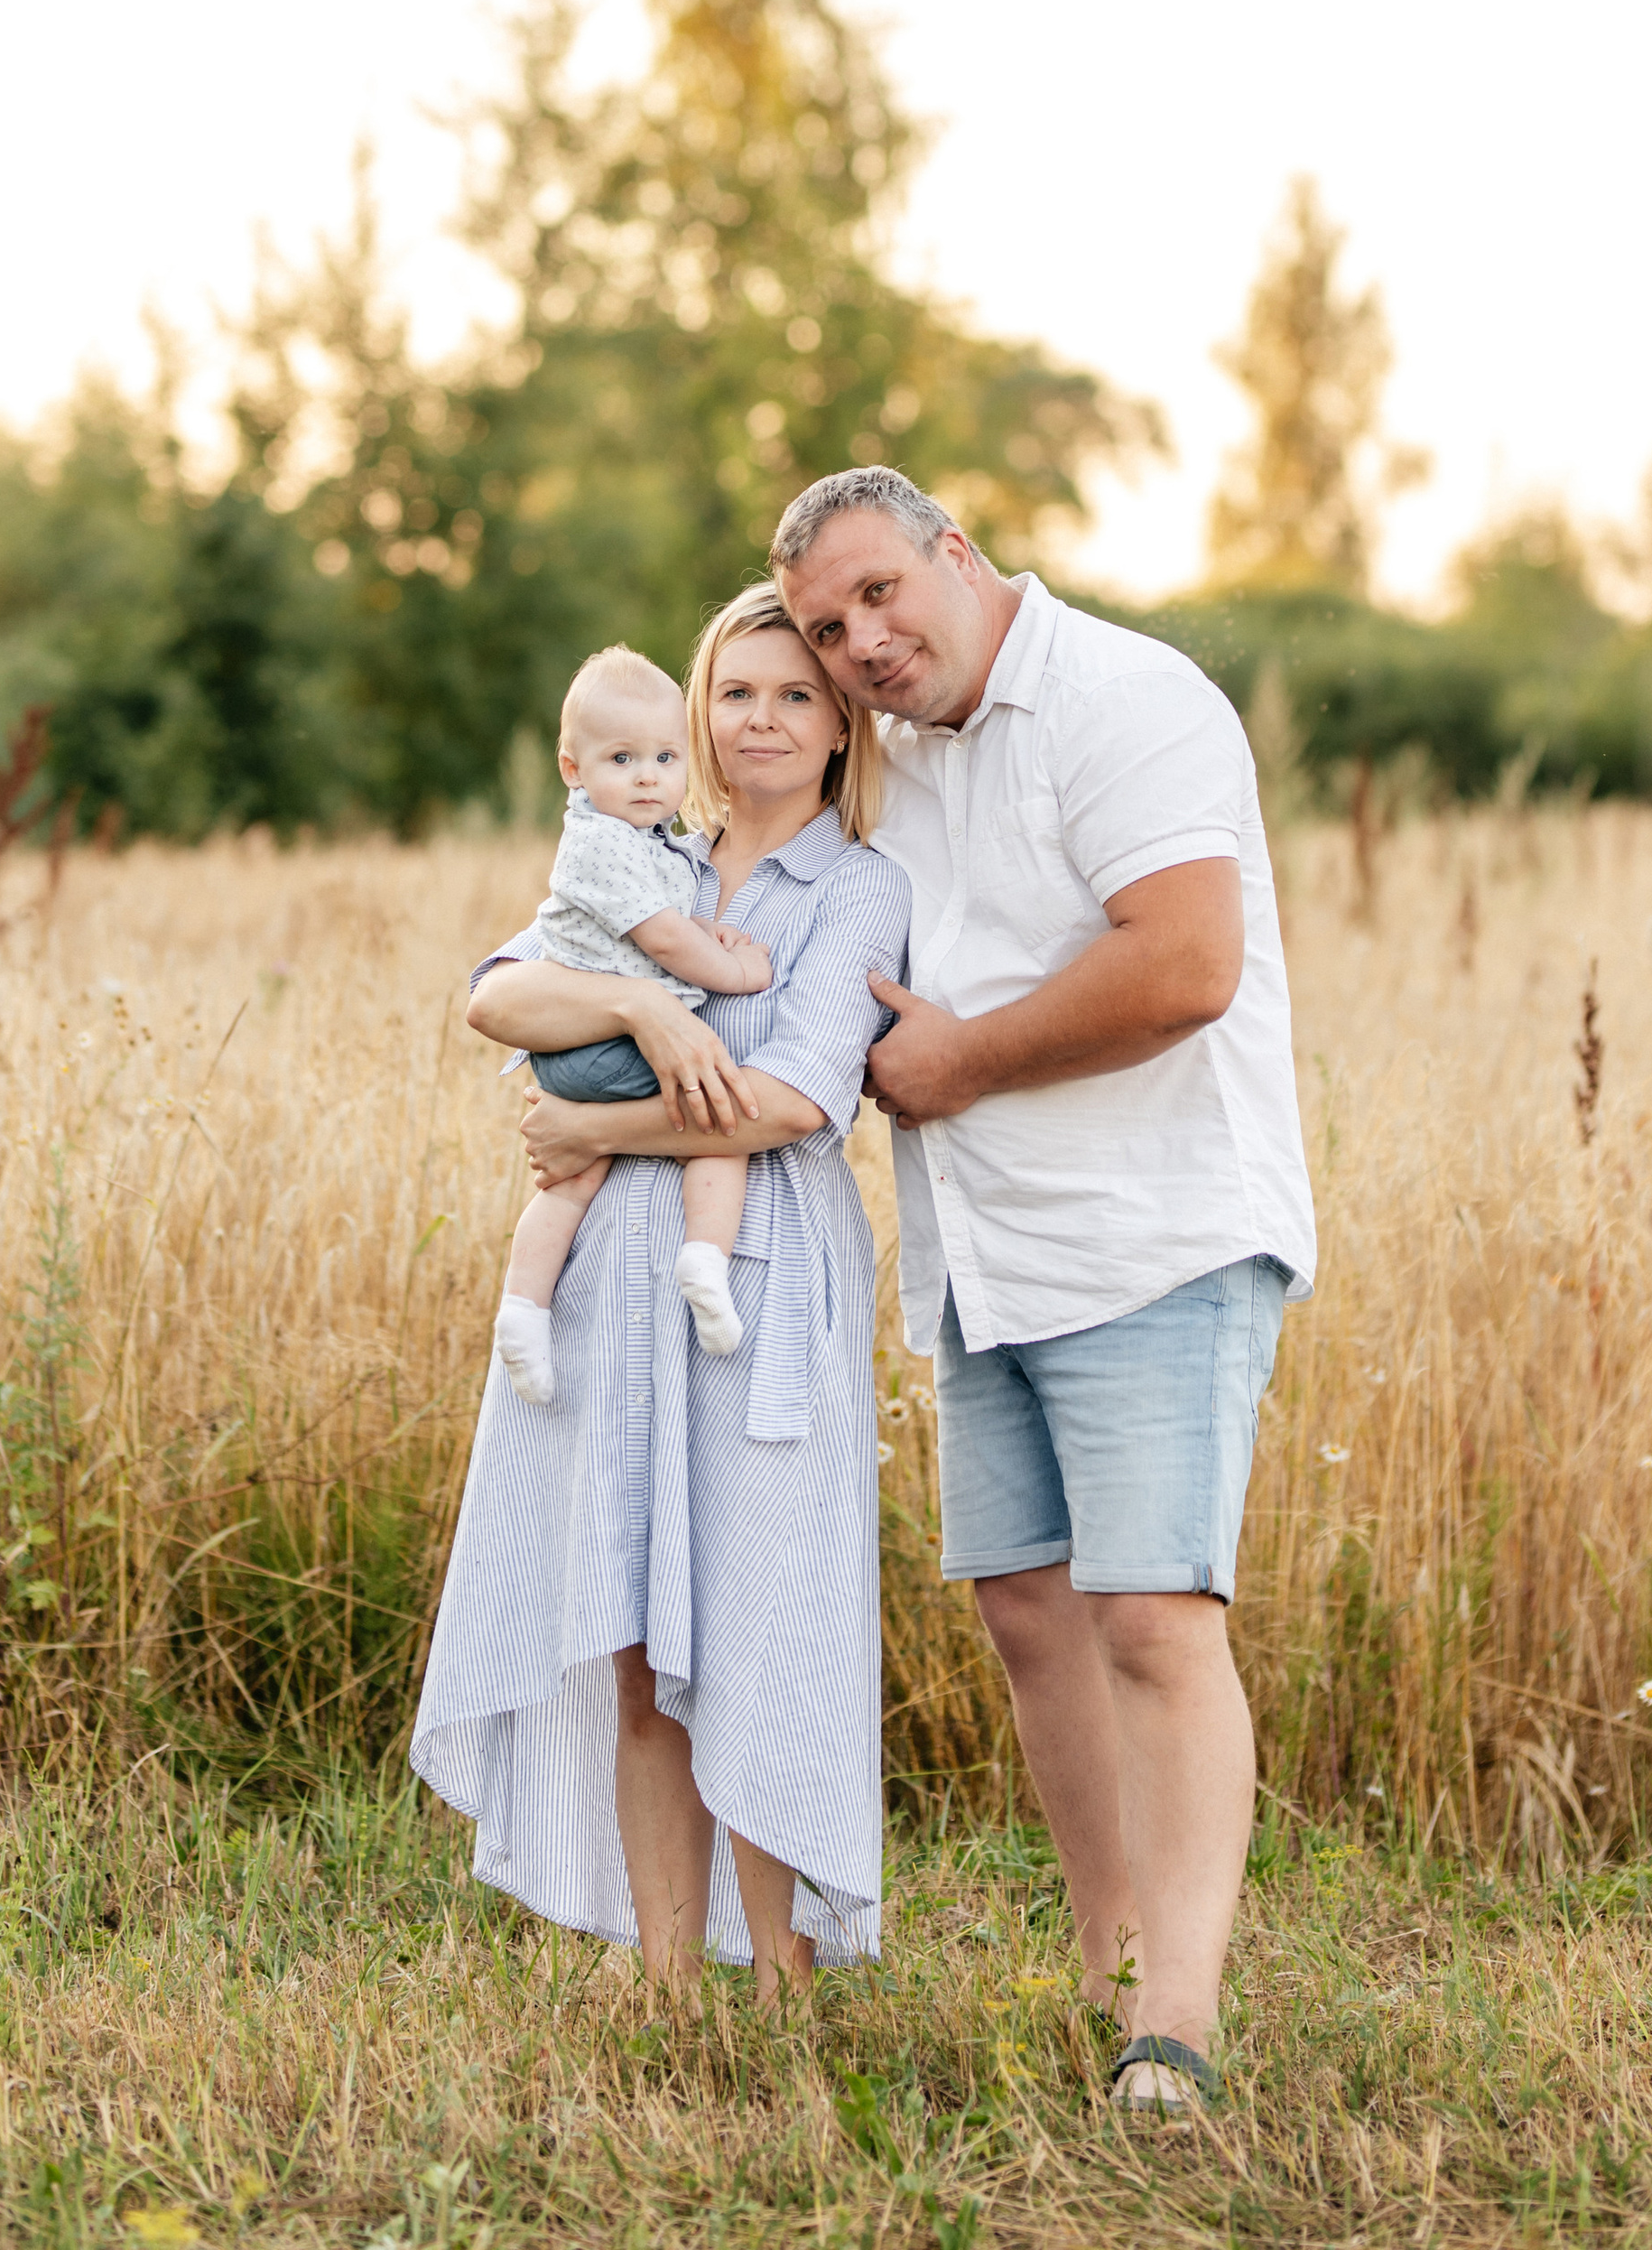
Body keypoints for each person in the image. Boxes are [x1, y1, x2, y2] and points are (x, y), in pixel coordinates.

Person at [772, 463, 1315, 2115]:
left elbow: (1186, 964)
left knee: (1152, 1615)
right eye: (823, 626)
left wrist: (958, 1062)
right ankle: (1106, 1970)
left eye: (880, 595)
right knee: (1030, 1613)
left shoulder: (1124, 699)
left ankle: (1180, 2028)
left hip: (1157, 1230)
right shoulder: (899, 764)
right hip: (988, 1255)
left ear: (959, 551)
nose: (859, 641)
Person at [412, 582, 912, 2002]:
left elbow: (794, 1099)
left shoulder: (861, 887)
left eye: (797, 697)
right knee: (637, 1647)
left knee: (762, 1629)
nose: (763, 719)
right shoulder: (639, 846)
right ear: (698, 714)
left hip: (760, 1283)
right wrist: (637, 1006)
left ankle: (788, 1995)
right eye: (737, 693)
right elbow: (498, 995)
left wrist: (593, 1129)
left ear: (838, 728)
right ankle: (673, 1990)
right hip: (611, 1294)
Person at [489, 643, 776, 1405]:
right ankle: (706, 1257)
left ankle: (522, 1309)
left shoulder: (649, 843)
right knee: (723, 1110)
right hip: (603, 1047)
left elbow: (675, 921)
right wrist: (740, 969)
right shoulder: (601, 846)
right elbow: (668, 941)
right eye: (622, 758)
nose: (649, 776)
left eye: (664, 757)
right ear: (572, 769)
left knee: (571, 1183)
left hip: (582, 1051)